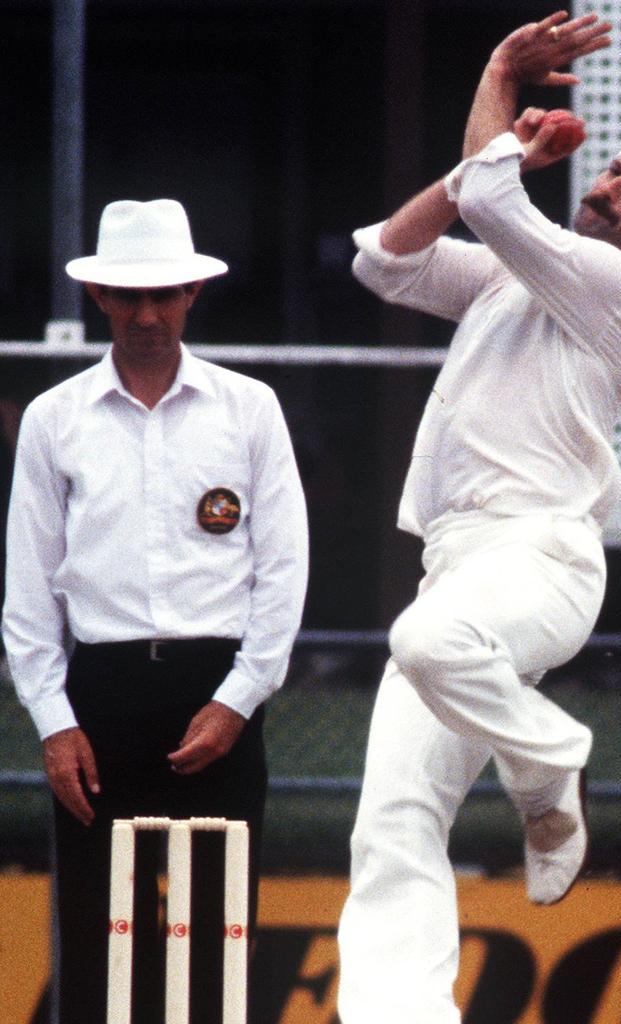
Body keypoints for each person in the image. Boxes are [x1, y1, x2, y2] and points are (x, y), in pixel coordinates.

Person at [337, 10, 621, 1024]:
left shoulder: (615, 288)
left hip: (542, 563)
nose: (605, 186)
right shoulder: (516, 277)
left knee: (425, 639)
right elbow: (385, 261)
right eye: (610, 174)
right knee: (393, 823)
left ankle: (548, 758)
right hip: (460, 565)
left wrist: (504, 93)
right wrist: (502, 122)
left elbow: (493, 198)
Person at [2, 198, 309, 1024]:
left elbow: (282, 573)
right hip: (96, 699)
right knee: (99, 945)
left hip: (218, 693)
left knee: (216, 942)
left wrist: (240, 699)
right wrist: (54, 722)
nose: (146, 314)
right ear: (98, 298)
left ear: (192, 295)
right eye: (128, 297)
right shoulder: (54, 419)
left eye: (163, 294)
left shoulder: (248, 410)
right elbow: (29, 593)